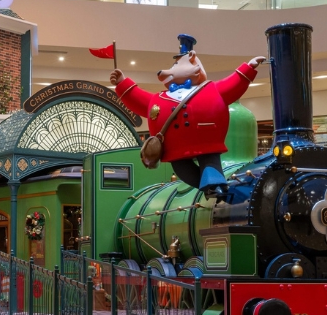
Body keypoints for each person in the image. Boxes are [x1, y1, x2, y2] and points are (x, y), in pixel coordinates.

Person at [110, 34, 265, 198]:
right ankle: (211, 188)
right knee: (183, 171)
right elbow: (138, 98)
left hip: (206, 143)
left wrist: (249, 67)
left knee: (210, 164)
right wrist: (122, 82)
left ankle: (215, 185)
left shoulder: (211, 89)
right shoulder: (159, 97)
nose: (168, 70)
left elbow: (233, 83)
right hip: (175, 150)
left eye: (176, 64)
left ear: (192, 60)